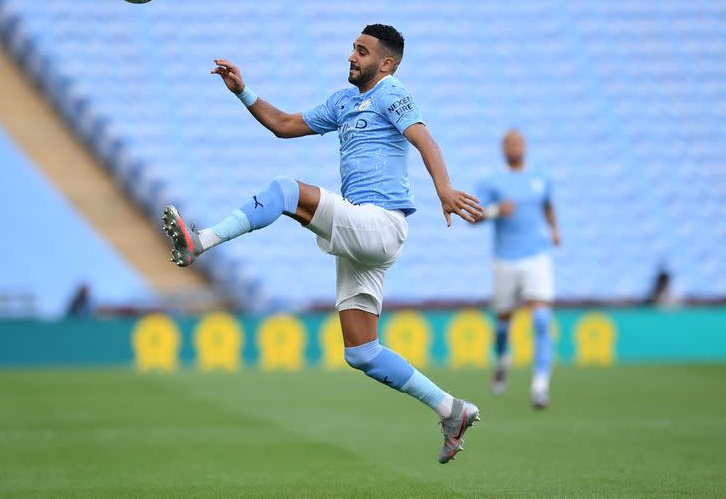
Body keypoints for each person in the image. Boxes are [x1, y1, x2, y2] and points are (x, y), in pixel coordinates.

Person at [163, 24, 484, 464]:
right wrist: (243, 91)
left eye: (363, 51)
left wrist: (444, 189)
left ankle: (200, 241)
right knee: (362, 352)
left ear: (386, 63)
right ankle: (452, 410)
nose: (352, 56)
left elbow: (425, 139)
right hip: (362, 231)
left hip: (380, 223)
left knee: (286, 190)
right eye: (353, 48)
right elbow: (283, 125)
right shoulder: (344, 100)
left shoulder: (392, 92)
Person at [476, 129, 561, 408]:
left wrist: (554, 230)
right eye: (509, 144)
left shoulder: (540, 177)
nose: (514, 148)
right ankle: (501, 362)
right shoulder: (492, 181)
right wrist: (497, 211)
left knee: (541, 319)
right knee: (503, 325)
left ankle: (540, 386)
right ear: (503, 149)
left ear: (525, 147)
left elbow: (547, 205)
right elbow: (474, 216)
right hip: (505, 259)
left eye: (518, 143)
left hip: (537, 255)